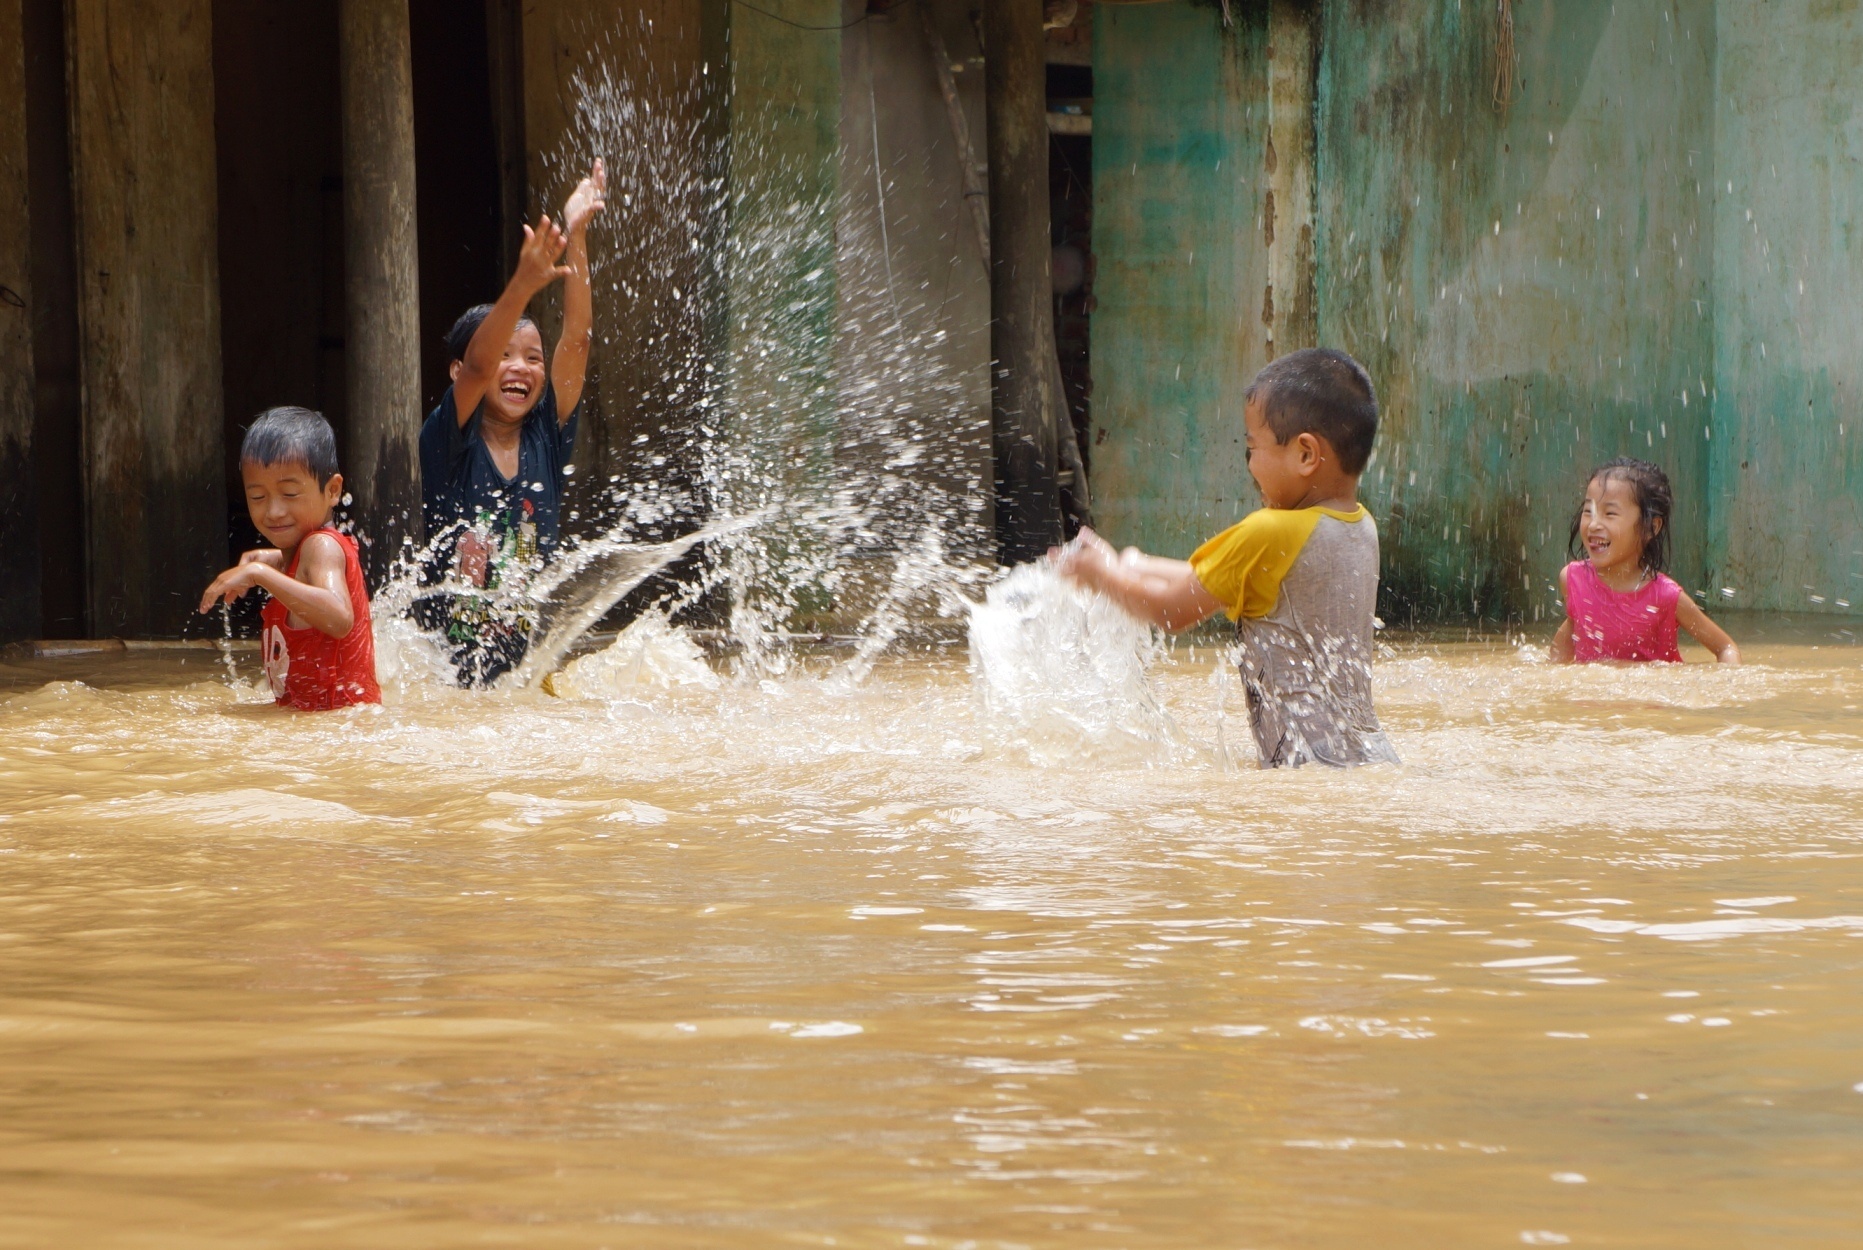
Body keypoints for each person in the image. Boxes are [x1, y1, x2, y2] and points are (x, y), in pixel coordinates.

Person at [1052, 348, 1399, 768]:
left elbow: (1171, 611)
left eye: (1252, 447)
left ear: (1305, 454)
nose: (1249, 463)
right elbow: (1216, 582)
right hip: (1368, 758)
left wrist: (1101, 574)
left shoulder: (1269, 531)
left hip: (1309, 771)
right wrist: (1135, 564)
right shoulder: (1359, 528)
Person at [420, 160, 606, 685]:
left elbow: (577, 339)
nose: (521, 367)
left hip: (518, 675)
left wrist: (576, 236)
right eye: (507, 354)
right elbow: (479, 367)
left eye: (532, 358)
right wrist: (523, 285)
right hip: (444, 677)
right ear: (459, 372)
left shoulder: (546, 438)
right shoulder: (446, 441)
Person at [199, 407, 381, 710]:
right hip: (326, 727)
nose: (273, 511)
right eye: (258, 497)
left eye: (290, 494)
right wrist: (275, 562)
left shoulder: (321, 546)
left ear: (333, 490)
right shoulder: (302, 553)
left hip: (340, 731)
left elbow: (338, 617)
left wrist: (260, 573)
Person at [1550, 457, 1739, 665]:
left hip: (1649, 697)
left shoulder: (1665, 596)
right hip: (1593, 698)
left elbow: (1725, 648)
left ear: (1651, 528)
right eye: (1589, 511)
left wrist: (1729, 686)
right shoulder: (1573, 579)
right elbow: (1573, 627)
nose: (1594, 524)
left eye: (1610, 513)